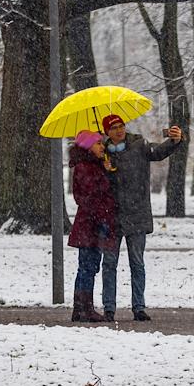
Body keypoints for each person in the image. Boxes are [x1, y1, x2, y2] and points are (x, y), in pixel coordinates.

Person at [100, 113, 183, 322]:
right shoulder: (101, 153)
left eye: (121, 126)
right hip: (111, 218)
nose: (119, 130)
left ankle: (139, 307)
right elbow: (96, 184)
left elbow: (158, 152)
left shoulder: (138, 145)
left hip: (137, 215)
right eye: (114, 128)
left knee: (137, 263)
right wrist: (105, 170)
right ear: (107, 132)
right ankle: (109, 308)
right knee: (109, 264)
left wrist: (174, 141)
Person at [67, 130, 117, 323]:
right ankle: (83, 308)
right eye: (98, 143)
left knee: (89, 266)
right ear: (88, 147)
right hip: (90, 224)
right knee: (87, 267)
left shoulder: (92, 165)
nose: (102, 146)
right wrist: (105, 174)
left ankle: (82, 307)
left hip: (92, 224)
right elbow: (91, 195)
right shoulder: (85, 167)